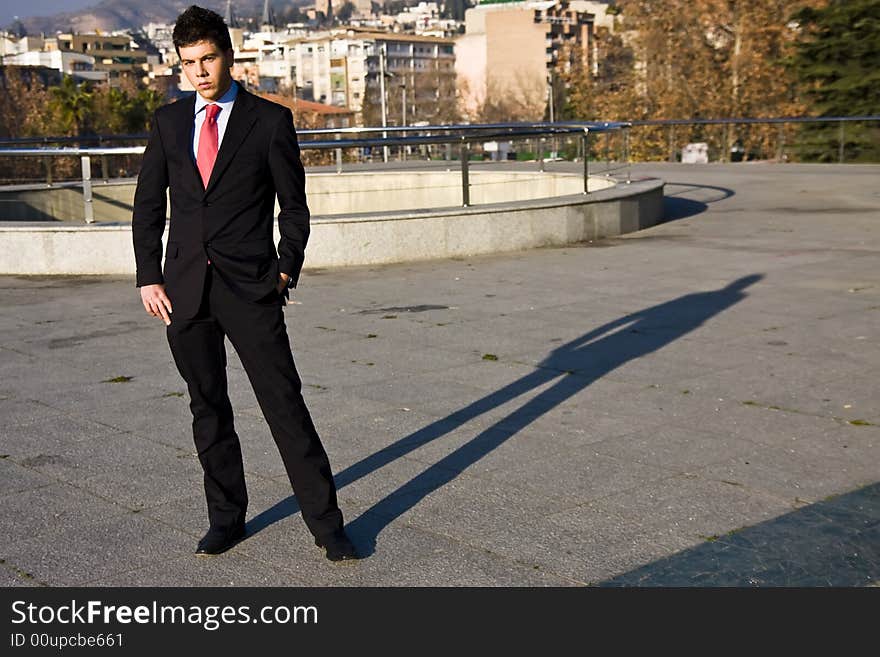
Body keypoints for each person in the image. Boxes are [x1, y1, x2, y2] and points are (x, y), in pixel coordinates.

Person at [132, 5, 358, 562]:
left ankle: (328, 528)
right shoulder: (168, 123)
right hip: (184, 292)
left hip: (250, 287)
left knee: (284, 405)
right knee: (207, 408)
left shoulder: (269, 121)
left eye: (208, 58)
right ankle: (226, 519)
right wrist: (147, 277)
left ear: (228, 55)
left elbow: (294, 207)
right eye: (189, 63)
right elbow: (146, 208)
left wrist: (285, 267)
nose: (200, 72)